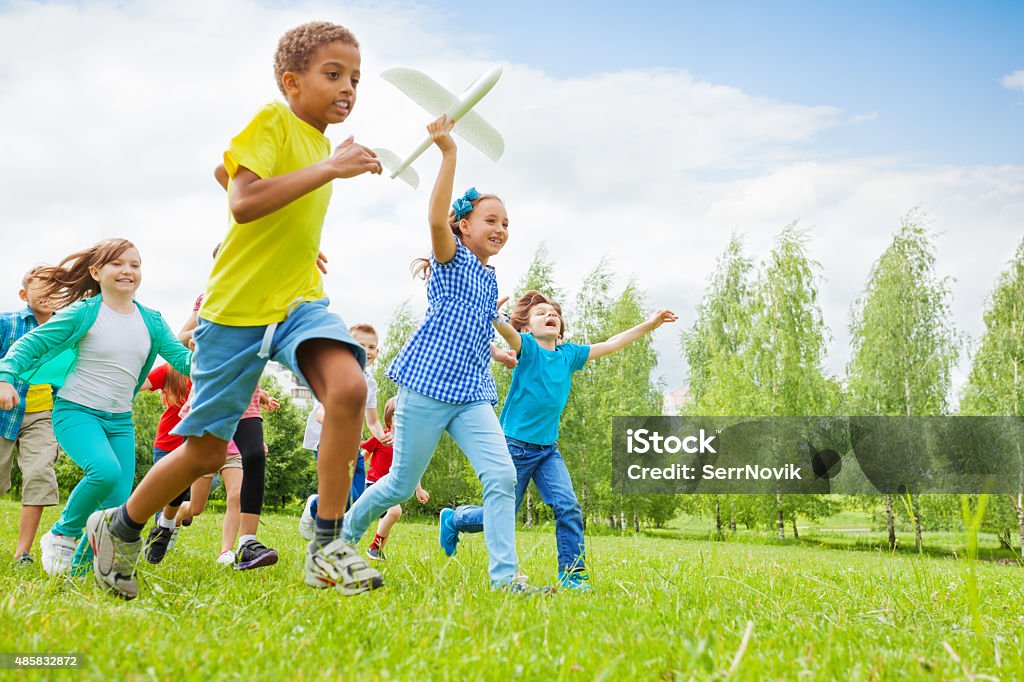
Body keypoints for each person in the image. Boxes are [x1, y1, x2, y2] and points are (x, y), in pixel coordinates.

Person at [86, 21, 384, 600]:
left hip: (298, 301)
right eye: (333, 74)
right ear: (290, 82)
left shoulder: (319, 144)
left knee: (348, 388)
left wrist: (294, 235)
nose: (347, 87)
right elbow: (243, 198)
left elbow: (229, 175)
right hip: (235, 311)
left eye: (355, 78)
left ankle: (327, 545)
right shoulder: (276, 121)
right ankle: (118, 526)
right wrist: (323, 174)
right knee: (201, 451)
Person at [342, 114, 548, 594]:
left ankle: (504, 580)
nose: (500, 228)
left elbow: (473, 326)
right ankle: (340, 539)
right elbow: (434, 219)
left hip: (472, 393)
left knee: (501, 476)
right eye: (491, 220)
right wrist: (448, 153)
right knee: (397, 484)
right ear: (464, 224)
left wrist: (498, 355)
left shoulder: (490, 278)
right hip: (428, 385)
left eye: (506, 223)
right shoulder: (450, 257)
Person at [439, 291, 677, 590]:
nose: (549, 314)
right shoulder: (526, 347)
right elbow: (506, 331)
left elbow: (612, 343)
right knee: (501, 515)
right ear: (527, 327)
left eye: (553, 312)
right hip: (514, 447)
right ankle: (455, 519)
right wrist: (494, 313)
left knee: (568, 506)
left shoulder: (569, 355)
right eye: (540, 312)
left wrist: (649, 324)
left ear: (560, 326)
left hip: (547, 451)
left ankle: (572, 575)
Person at [0, 239, 191, 576]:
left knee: (117, 502)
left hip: (120, 421)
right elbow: (31, 342)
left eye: (135, 264)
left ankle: (79, 571)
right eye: (117, 264)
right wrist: (5, 376)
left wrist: (228, 361)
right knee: (104, 472)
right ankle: (61, 533)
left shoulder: (152, 320)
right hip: (76, 412)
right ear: (96, 271)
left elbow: (184, 360)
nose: (127, 270)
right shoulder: (85, 312)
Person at [298, 323, 392, 540]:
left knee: (357, 500)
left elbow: (373, 421)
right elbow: (321, 413)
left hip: (352, 445)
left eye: (372, 347)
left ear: (377, 352)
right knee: (341, 495)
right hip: (327, 441)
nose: (367, 351)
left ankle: (321, 513)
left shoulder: (370, 383)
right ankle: (317, 509)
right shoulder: (335, 373)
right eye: (361, 345)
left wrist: (382, 436)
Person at [0, 267, 60, 567]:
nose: (50, 296)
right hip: (4, 412)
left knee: (39, 474)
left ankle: (22, 552)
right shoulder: (7, 323)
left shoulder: (66, 330)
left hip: (43, 414)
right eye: (43, 290)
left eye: (56, 291)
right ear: (24, 295)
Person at [361, 397, 429, 561]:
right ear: (389, 420)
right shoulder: (382, 437)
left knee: (388, 519)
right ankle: (373, 548)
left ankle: (376, 552)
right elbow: (365, 454)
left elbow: (412, 468)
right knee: (395, 511)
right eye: (398, 416)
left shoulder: (407, 444)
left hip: (393, 485)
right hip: (375, 482)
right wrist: (351, 470)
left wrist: (419, 489)